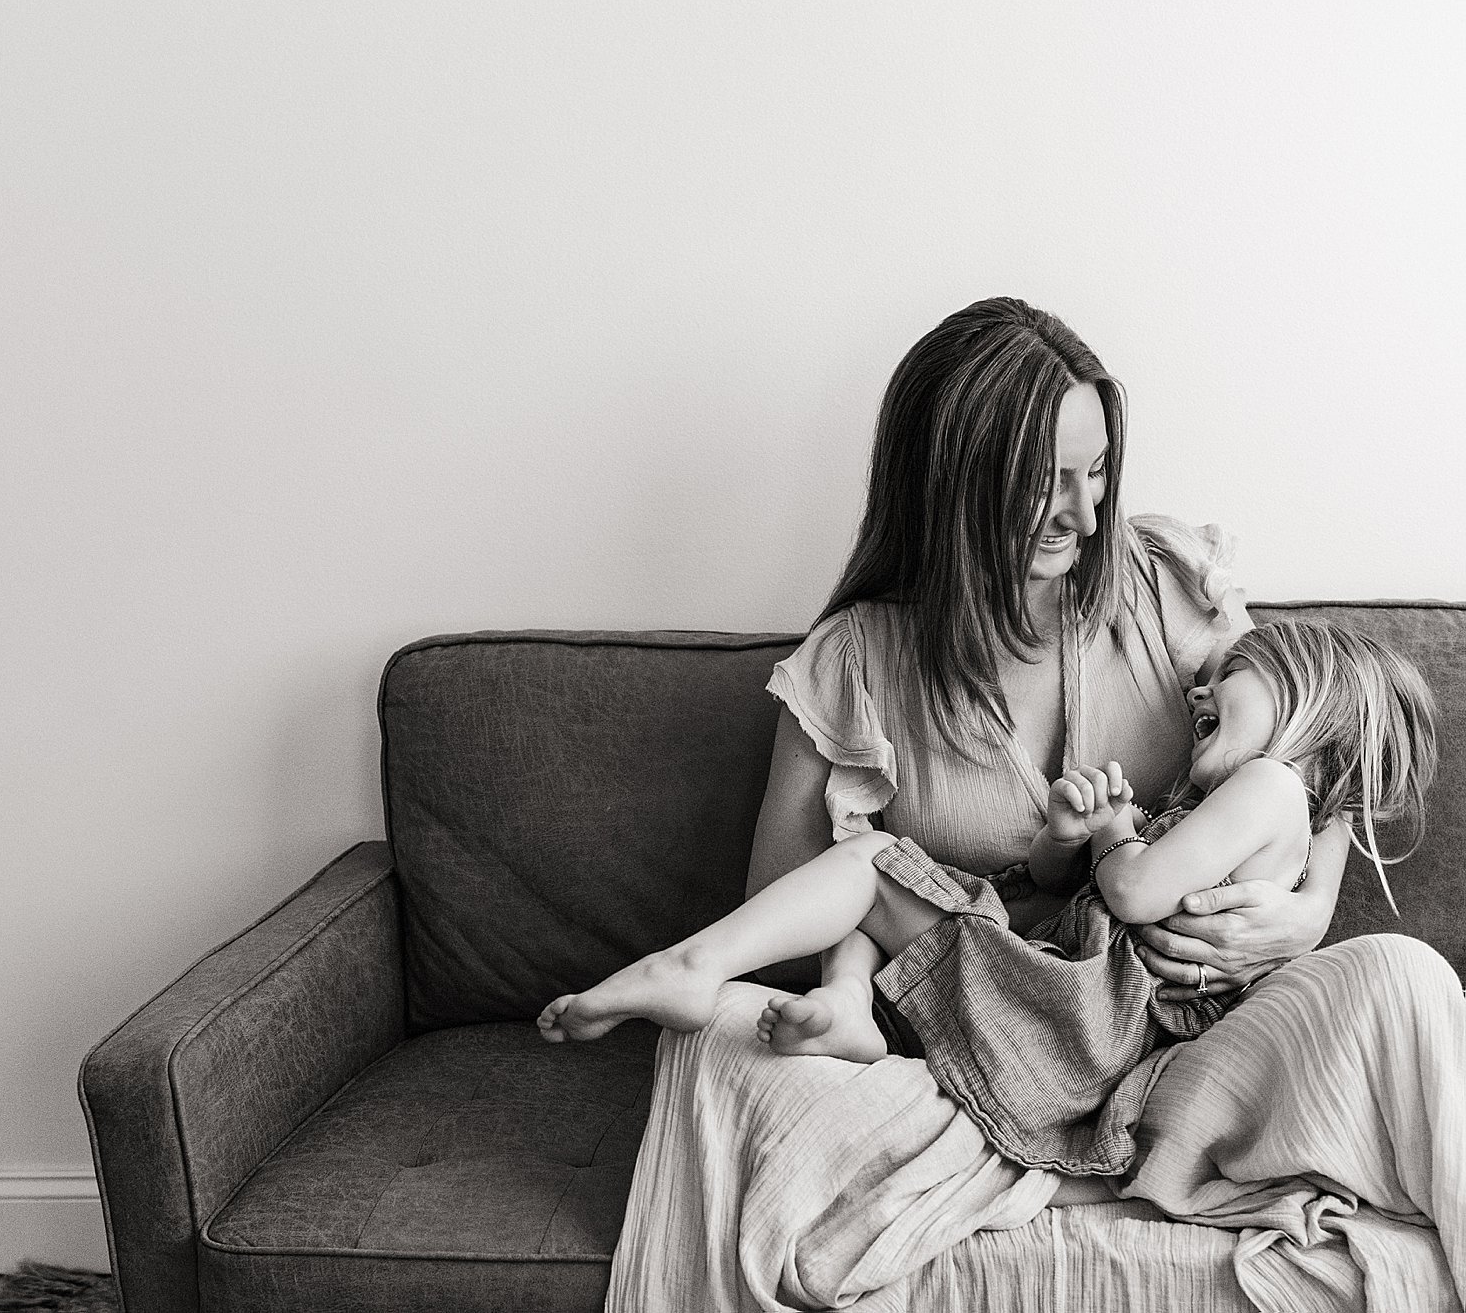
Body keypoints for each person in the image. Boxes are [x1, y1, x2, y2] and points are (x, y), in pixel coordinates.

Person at [596, 298, 1466, 1311]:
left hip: (1186, 1057)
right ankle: (1041, 1167)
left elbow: (1315, 731)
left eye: (1096, 473)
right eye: (1044, 481)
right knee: (718, 1046)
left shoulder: (1163, 589)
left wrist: (1311, 899)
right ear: (950, 485)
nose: (1083, 513)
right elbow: (788, 920)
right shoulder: (855, 664)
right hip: (972, 1058)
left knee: (1403, 979)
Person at [539, 618, 1436, 1177]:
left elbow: (1128, 889)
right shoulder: (1254, 802)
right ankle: (850, 1005)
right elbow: (1083, 891)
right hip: (1076, 1011)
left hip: (1079, 1019)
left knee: (874, 861)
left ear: (1307, 698)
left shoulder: (1269, 788)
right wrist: (1069, 837)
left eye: (1228, 675)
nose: (1198, 687)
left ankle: (694, 964)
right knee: (899, 871)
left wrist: (1117, 834)